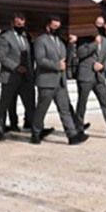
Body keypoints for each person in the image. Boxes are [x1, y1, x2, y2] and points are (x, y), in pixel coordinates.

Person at [31, 15, 87, 145]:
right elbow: (40, 60)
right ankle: (36, 132)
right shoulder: (41, 40)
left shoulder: (60, 41)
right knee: (42, 109)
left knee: (65, 109)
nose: (57, 29)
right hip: (46, 81)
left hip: (60, 81)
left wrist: (72, 44)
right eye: (54, 26)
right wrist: (56, 65)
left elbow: (66, 57)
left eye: (58, 26)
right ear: (48, 26)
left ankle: (72, 135)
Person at [0, 13, 35, 137]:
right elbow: (2, 56)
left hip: (25, 77)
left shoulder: (25, 37)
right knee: (4, 105)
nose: (21, 26)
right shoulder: (5, 37)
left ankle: (36, 130)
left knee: (30, 104)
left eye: (23, 24)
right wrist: (16, 67)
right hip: (10, 76)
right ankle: (0, 129)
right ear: (13, 24)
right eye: (18, 24)